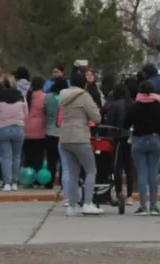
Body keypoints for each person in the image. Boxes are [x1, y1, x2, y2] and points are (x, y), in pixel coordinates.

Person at [59, 72, 104, 216]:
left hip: (64, 136)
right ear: (84, 83)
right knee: (91, 170)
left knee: (73, 173)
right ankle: (88, 203)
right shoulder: (84, 96)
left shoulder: (63, 95)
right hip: (79, 135)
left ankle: (72, 206)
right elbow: (96, 117)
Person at [125, 80, 160, 215]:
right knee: (153, 174)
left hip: (138, 141)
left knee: (141, 173)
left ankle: (142, 207)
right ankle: (153, 206)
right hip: (154, 139)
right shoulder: (159, 106)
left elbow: (125, 124)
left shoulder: (133, 107)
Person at [0, 77, 28, 191]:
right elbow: (26, 113)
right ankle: (14, 183)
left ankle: (7, 182)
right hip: (18, 128)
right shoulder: (21, 96)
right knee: (16, 157)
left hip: (2, 129)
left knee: (5, 157)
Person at [102, 82, 135, 204]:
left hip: (117, 138)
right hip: (130, 137)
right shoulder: (131, 104)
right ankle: (130, 195)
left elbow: (109, 122)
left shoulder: (113, 105)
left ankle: (119, 192)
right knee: (129, 167)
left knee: (118, 167)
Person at [43, 77, 66, 191]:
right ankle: (63, 182)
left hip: (50, 131)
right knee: (64, 160)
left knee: (51, 159)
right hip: (64, 131)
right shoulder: (66, 97)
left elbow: (44, 111)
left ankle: (49, 182)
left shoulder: (48, 97)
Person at [23, 76, 47, 175]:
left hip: (26, 128)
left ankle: (27, 176)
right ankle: (36, 177)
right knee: (38, 156)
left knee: (28, 156)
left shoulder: (26, 95)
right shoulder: (44, 96)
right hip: (39, 129)